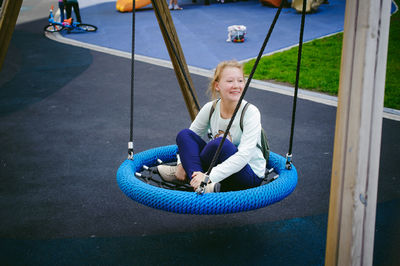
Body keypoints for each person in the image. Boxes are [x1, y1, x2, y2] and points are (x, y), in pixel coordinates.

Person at [157, 60, 266, 193]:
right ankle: (194, 178)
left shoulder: (250, 112)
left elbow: (244, 156)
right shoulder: (211, 108)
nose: (236, 85)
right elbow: (188, 141)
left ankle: (198, 179)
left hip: (248, 174)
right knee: (185, 135)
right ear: (217, 85)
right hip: (219, 167)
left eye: (240, 81)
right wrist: (181, 162)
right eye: (230, 81)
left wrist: (209, 176)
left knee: (219, 144)